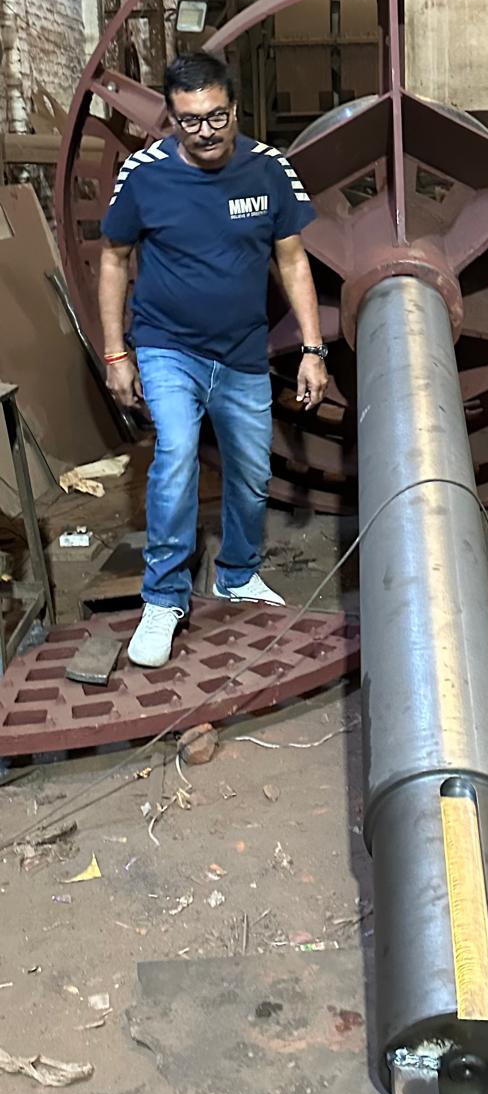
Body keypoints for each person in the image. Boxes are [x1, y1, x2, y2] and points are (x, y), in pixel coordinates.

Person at [99, 51, 328, 668]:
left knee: (252, 471)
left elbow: (292, 260)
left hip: (242, 354)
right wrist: (117, 351)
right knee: (175, 453)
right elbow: (115, 261)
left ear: (234, 108)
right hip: (167, 346)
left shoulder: (269, 170)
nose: (205, 131)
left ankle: (237, 572)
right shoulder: (144, 176)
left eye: (216, 116)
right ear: (171, 116)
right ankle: (164, 598)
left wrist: (312, 348)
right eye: (189, 120)